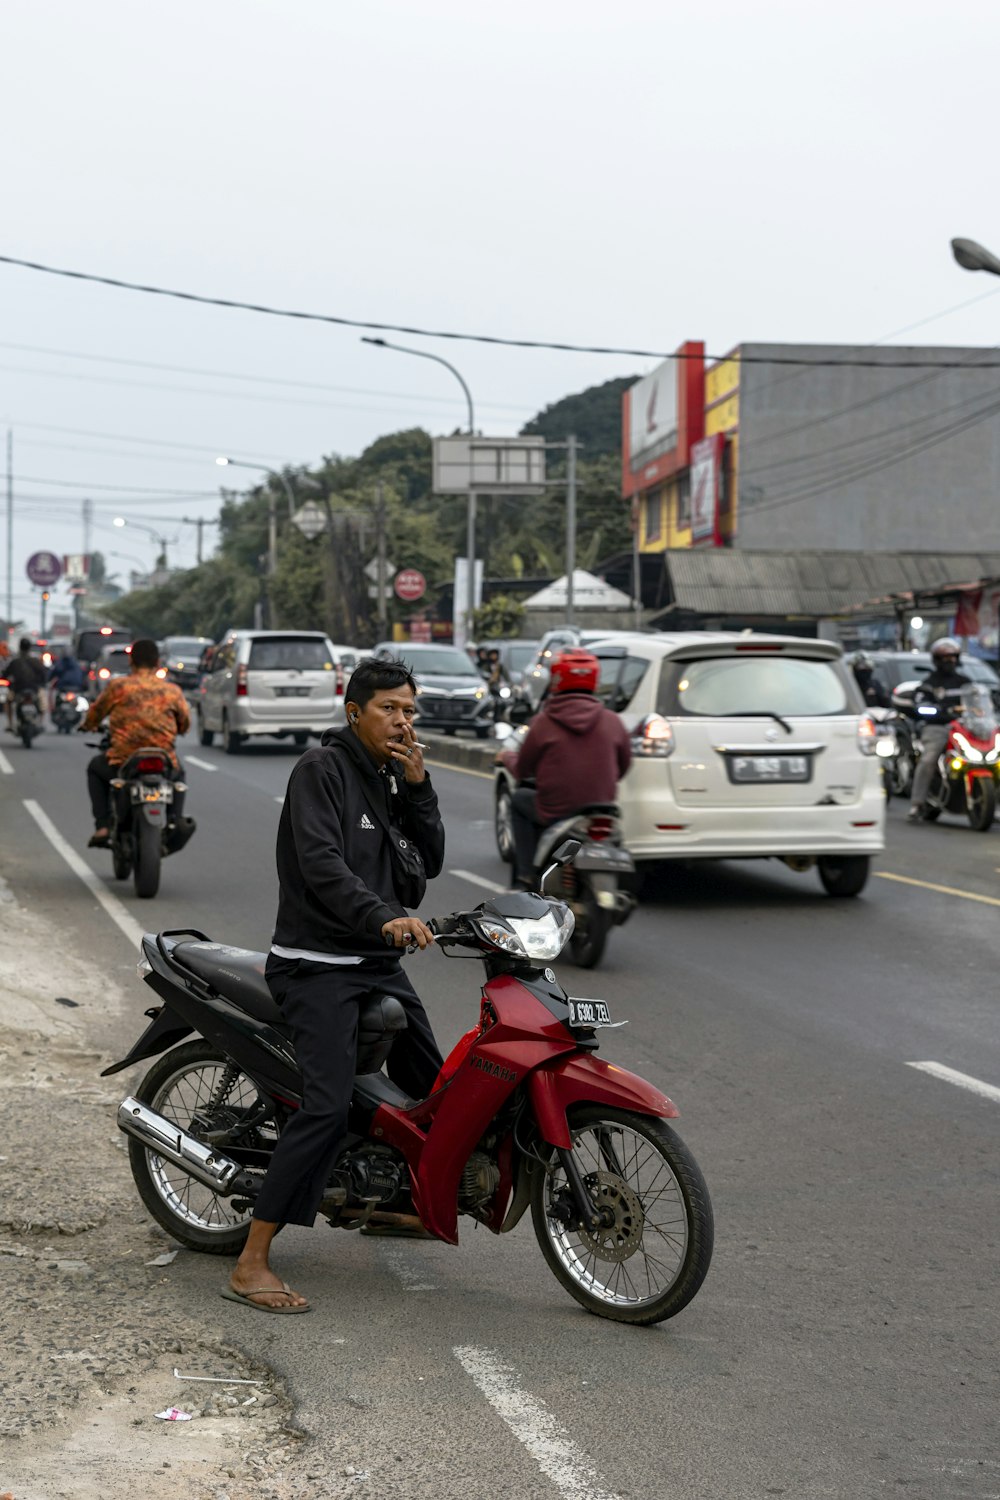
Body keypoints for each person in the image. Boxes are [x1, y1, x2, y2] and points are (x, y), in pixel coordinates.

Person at [226, 655, 445, 1313]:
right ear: (355, 713)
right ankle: (251, 1260)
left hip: (375, 963)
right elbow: (321, 865)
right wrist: (382, 917)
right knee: (324, 1105)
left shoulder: (390, 776)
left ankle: (392, 1199)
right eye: (390, 709)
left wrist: (419, 784)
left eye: (410, 709)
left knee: (435, 1087)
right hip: (314, 964)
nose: (403, 721)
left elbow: (427, 861)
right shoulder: (320, 771)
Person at [498, 648, 632, 888]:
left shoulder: (544, 722)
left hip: (555, 812)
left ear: (557, 679)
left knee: (519, 800)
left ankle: (525, 875)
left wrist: (507, 757)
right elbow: (623, 767)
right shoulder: (613, 720)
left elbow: (523, 770)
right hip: (602, 811)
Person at [81, 637, 194, 849]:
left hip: (124, 758)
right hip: (162, 758)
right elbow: (185, 723)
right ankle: (174, 819)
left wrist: (88, 725)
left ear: (131, 661)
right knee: (179, 774)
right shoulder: (172, 691)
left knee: (95, 768)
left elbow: (95, 714)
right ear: (157, 663)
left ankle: (103, 825)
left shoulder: (118, 687)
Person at [907, 636, 970, 822]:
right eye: (945, 658)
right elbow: (919, 706)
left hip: (965, 728)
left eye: (953, 657)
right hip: (938, 728)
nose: (950, 661)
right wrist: (936, 710)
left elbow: (979, 700)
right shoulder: (929, 683)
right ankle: (917, 804)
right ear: (936, 660)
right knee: (928, 760)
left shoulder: (965, 682)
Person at [5, 637, 47, 732]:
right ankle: (40, 722)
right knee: (43, 703)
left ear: (20, 647)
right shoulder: (36, 661)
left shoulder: (14, 662)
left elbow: (5, 675)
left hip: (17, 689)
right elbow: (44, 675)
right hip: (34, 689)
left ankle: (10, 724)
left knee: (8, 702)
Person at [48, 648, 86, 713]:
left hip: (64, 687)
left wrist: (48, 679)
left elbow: (53, 673)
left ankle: (53, 710)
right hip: (77, 687)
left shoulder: (60, 663)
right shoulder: (76, 664)